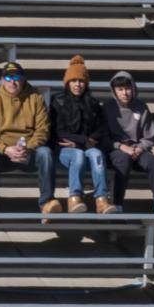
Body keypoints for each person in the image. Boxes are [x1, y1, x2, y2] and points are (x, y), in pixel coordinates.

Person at [0, 61, 51, 218]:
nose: (12, 82)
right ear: (2, 80)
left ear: (23, 79)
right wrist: (5, 149)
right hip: (4, 153)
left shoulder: (36, 98)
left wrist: (29, 148)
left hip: (29, 152)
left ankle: (47, 204)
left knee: (45, 153)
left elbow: (42, 130)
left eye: (16, 77)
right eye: (8, 78)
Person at [45, 56, 110, 215]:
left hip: (86, 147)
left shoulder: (93, 103)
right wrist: (83, 141)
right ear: (67, 82)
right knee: (78, 155)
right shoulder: (58, 101)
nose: (77, 85)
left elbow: (101, 128)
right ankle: (74, 197)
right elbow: (58, 132)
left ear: (86, 83)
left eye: (81, 81)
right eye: (73, 81)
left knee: (97, 155)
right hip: (64, 150)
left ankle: (102, 199)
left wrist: (87, 141)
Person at [103, 70, 154, 214]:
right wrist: (122, 147)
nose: (124, 93)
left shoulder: (142, 107)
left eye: (127, 88)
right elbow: (104, 138)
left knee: (153, 162)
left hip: (138, 150)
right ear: (114, 91)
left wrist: (139, 148)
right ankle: (118, 205)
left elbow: (149, 136)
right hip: (117, 151)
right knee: (123, 160)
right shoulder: (107, 108)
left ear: (133, 88)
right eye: (120, 89)